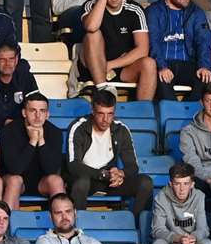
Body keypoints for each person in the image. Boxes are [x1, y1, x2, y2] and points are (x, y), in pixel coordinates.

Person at [65, 88, 153, 218]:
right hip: (86, 179)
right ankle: (79, 227)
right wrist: (102, 175)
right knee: (81, 182)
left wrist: (121, 174)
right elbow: (73, 165)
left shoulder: (121, 129)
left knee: (145, 182)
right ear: (92, 111)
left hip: (110, 181)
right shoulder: (79, 127)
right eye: (101, 114)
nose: (105, 119)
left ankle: (134, 227)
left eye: (110, 114)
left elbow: (133, 167)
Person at [146, 0, 211, 100]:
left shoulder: (196, 12)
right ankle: (173, 116)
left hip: (188, 63)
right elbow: (152, 42)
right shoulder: (154, 11)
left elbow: (204, 41)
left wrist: (204, 66)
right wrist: (162, 66)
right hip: (163, 63)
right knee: (162, 78)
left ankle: (188, 116)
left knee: (207, 78)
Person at [150, 162, 211, 244]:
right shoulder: (161, 197)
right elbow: (157, 230)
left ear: (192, 184)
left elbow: (203, 229)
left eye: (186, 184)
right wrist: (178, 238)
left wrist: (193, 238)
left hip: (192, 241)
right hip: (171, 241)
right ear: (171, 184)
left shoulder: (199, 196)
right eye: (177, 184)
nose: (182, 189)